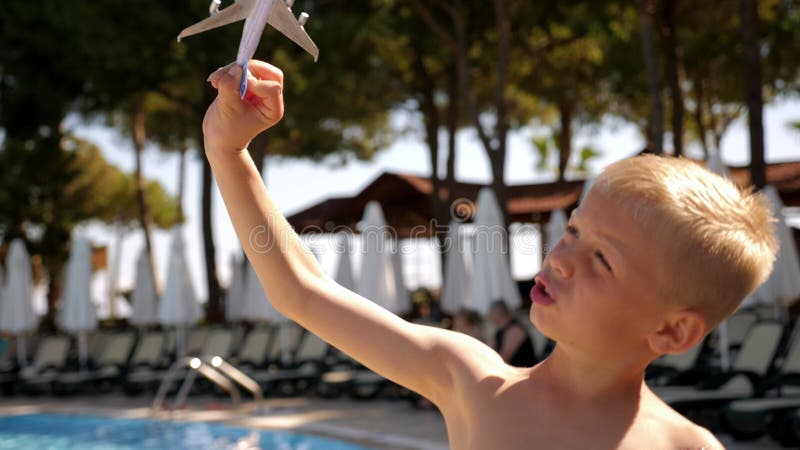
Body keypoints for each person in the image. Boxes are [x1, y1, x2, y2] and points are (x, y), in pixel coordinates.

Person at [204, 60, 777, 448]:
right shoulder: (471, 380)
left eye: (603, 259)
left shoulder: (688, 445)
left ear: (673, 332)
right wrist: (228, 154)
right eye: (573, 232)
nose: (558, 259)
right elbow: (304, 291)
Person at [488, 300, 536, 367]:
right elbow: (489, 351)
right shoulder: (498, 331)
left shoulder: (515, 330)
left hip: (523, 372)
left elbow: (504, 359)